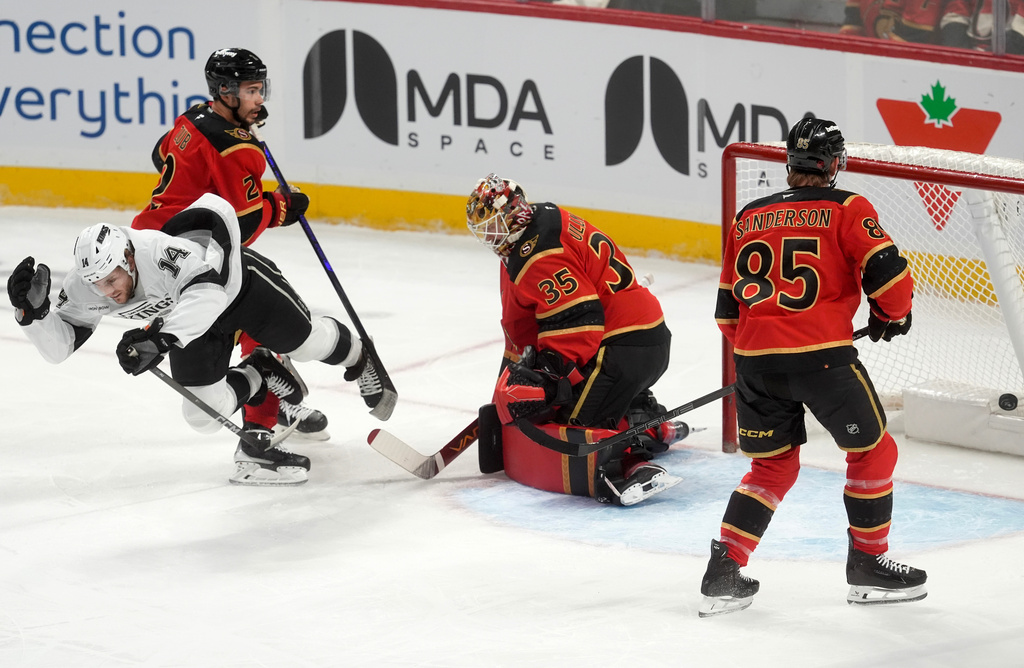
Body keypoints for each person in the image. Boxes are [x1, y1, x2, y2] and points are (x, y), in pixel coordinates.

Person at [702, 118, 926, 617]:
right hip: (822, 359)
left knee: (771, 467)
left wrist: (765, 348)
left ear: (791, 162)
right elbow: (890, 279)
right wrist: (890, 316)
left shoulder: (747, 216)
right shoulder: (847, 206)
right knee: (873, 451)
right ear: (834, 163)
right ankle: (867, 564)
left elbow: (726, 313)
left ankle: (724, 569)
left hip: (755, 362)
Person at [7, 193, 376, 486]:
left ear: (130, 258)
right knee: (202, 415)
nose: (108, 293)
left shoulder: (157, 252)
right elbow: (61, 347)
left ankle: (360, 354)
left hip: (240, 289)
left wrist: (161, 340)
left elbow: (209, 293)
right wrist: (32, 316)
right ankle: (259, 372)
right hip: (191, 320)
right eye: (98, 285)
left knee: (308, 344)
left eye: (113, 280)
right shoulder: (87, 286)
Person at [131, 47, 369, 445]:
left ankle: (273, 406)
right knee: (258, 309)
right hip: (190, 259)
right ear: (226, 91)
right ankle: (267, 412)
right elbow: (241, 226)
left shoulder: (192, 116)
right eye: (253, 90)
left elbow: (160, 154)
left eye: (261, 89)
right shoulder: (238, 148)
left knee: (252, 311)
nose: (261, 99)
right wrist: (281, 207)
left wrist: (200, 185)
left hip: (154, 244)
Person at [465, 173, 685, 506]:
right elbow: (521, 325)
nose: (489, 235)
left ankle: (633, 464)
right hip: (642, 338)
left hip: (620, 348)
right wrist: (515, 375)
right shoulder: (542, 218)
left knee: (572, 431)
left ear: (512, 214)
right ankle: (649, 419)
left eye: (493, 224)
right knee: (561, 405)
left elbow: (581, 323)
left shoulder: (536, 255)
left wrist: (550, 376)